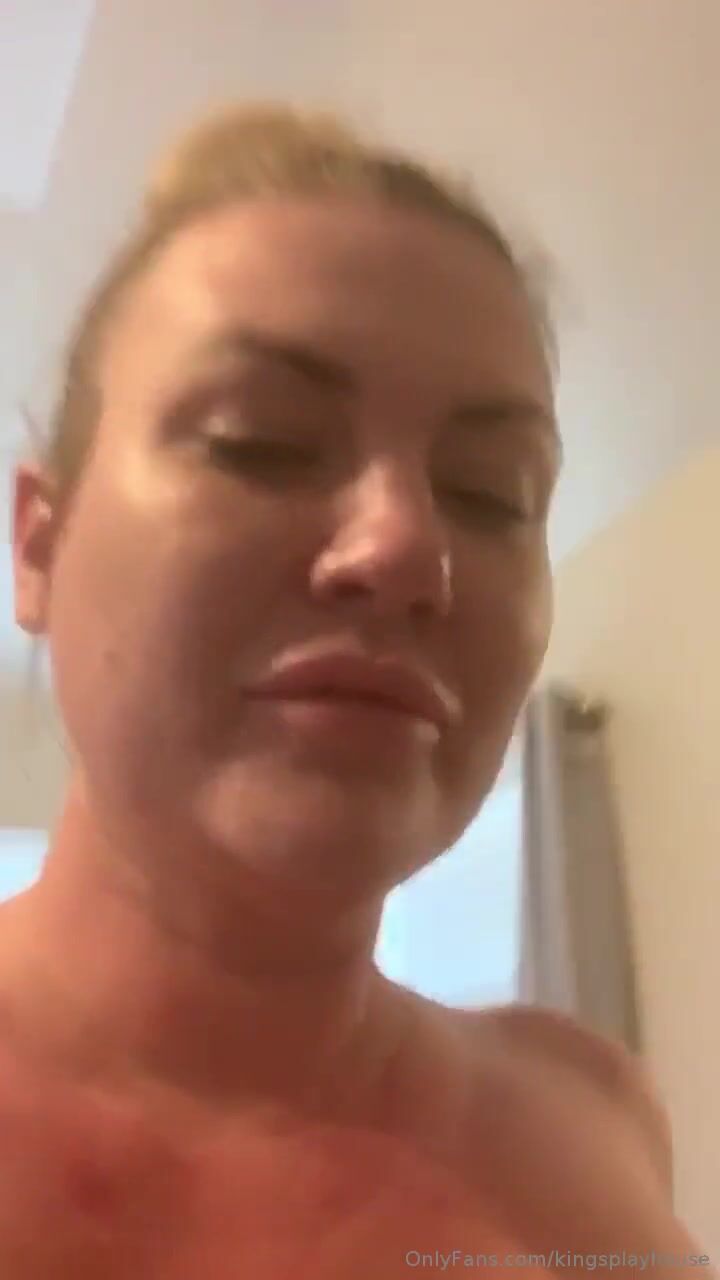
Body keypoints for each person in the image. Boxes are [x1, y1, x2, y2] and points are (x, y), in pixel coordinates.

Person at [2, 102, 710, 1278]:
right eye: (258, 440)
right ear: (40, 543)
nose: (407, 548)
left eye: (491, 492)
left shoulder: (596, 1110)